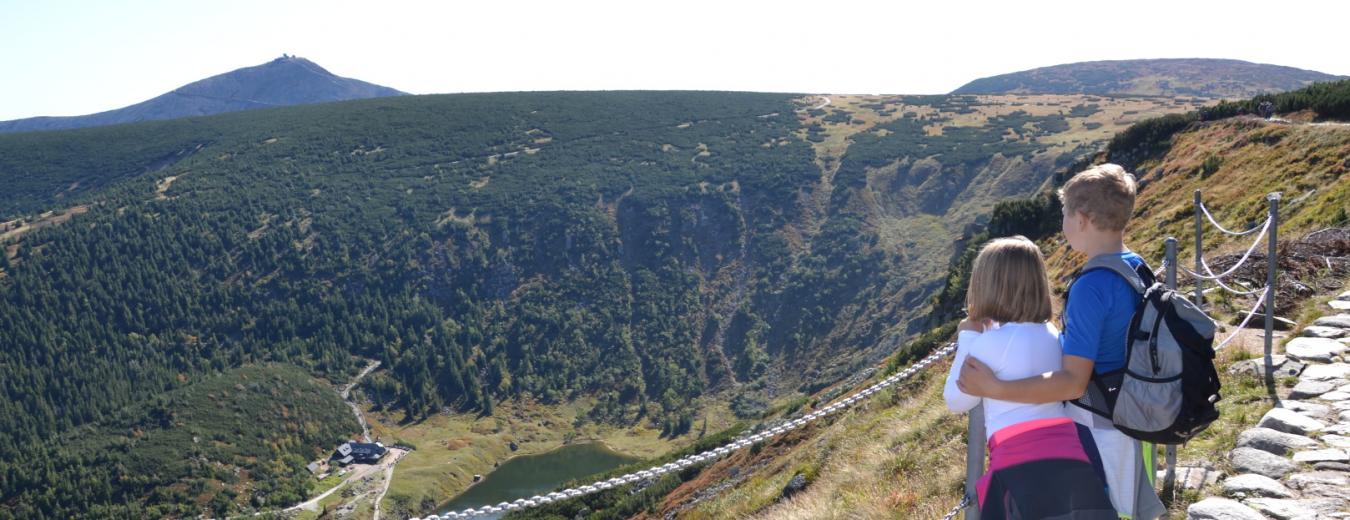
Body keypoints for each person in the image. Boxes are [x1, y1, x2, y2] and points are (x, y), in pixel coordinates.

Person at [957, 164, 1166, 520]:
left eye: (1065, 214)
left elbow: (1072, 382)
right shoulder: (1134, 265)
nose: (1063, 224)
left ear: (1082, 219)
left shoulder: (1091, 287)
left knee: (1110, 508)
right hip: (1135, 411)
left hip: (1099, 424)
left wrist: (994, 386)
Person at [943, 236, 1116, 519]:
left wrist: (968, 336)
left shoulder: (987, 345)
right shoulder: (1053, 336)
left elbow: (955, 400)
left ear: (985, 286)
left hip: (1020, 465)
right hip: (1070, 455)